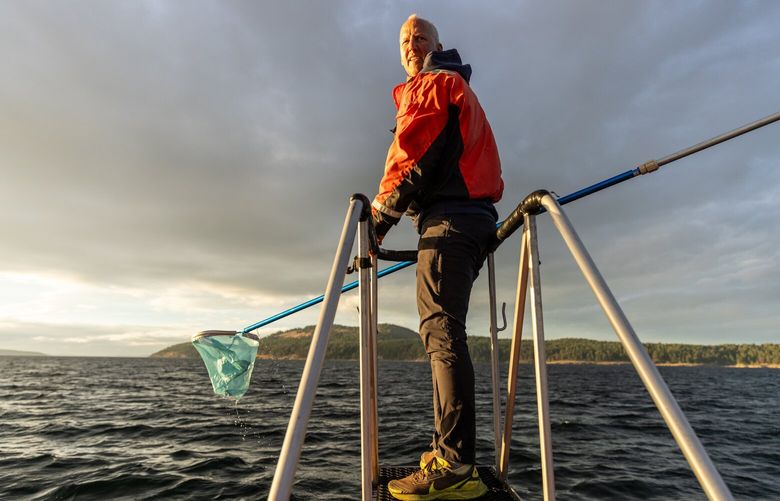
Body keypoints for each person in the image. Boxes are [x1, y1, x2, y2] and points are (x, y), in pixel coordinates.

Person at [371, 14, 504, 501]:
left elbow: (413, 156)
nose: (412, 44)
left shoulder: (432, 85)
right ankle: (447, 451)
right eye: (405, 40)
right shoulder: (451, 86)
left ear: (437, 45)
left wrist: (378, 220)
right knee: (440, 331)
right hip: (466, 219)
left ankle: (455, 465)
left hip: (451, 220)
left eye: (420, 37)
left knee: (440, 330)